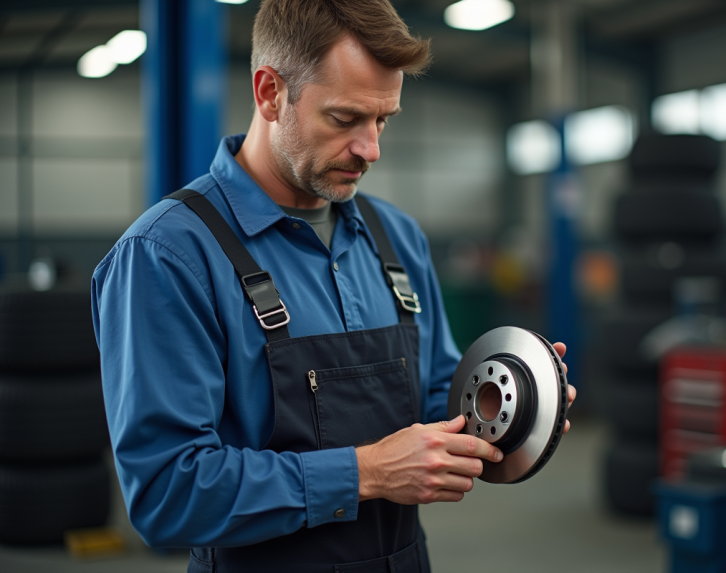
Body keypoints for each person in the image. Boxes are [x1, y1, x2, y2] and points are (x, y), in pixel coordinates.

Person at [91, 1, 575, 572]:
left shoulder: (397, 238)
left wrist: (514, 409)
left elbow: (438, 397)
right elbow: (168, 494)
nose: (371, 148)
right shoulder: (167, 256)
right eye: (345, 119)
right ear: (270, 93)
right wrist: (367, 472)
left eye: (383, 120)